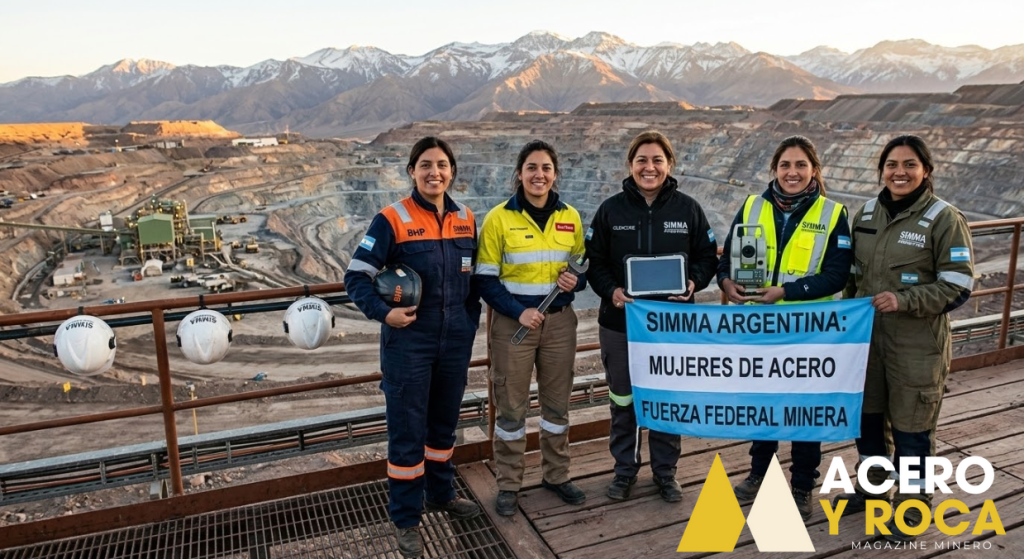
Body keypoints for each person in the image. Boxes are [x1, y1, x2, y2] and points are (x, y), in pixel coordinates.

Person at [344, 137, 482, 558]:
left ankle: (442, 494)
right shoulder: (392, 219)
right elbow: (356, 276)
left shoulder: (466, 219)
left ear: (452, 171)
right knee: (407, 433)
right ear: (412, 171)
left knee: (443, 427)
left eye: (441, 165)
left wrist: (468, 324)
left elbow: (474, 280)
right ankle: (407, 519)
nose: (434, 172)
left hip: (454, 342)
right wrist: (383, 314)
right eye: (425, 165)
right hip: (409, 345)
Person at [834, 135, 974, 543]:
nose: (900, 172)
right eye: (892, 164)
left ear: (925, 171)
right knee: (868, 420)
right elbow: (852, 279)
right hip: (867, 343)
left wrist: (905, 300)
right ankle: (874, 487)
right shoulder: (865, 214)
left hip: (916, 346)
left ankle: (913, 506)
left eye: (910, 164)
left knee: (913, 429)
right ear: (881, 170)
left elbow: (959, 285)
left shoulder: (945, 218)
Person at [716, 135, 852, 521]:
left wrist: (787, 292)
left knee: (804, 412)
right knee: (763, 405)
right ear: (774, 169)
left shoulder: (832, 213)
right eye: (785, 165)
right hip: (759, 328)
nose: (792, 173)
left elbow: (837, 275)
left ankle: (802, 485)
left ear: (814, 170)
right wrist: (726, 283)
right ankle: (760, 473)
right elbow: (726, 261)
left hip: (808, 331)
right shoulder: (752, 206)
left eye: (800, 165)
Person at [585, 130, 719, 502]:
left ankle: (665, 473)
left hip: (672, 324)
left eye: (657, 160)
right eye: (642, 160)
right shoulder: (610, 210)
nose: (650, 167)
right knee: (623, 399)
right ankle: (624, 471)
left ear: (669, 164)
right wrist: (611, 291)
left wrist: (694, 281)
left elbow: (707, 257)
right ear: (630, 165)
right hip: (620, 323)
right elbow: (594, 261)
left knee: (667, 399)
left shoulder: (688, 209)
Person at [476, 140, 588, 516]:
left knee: (557, 405)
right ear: (520, 173)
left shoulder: (571, 217)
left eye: (546, 168)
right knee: (510, 407)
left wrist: (575, 281)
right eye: (532, 168)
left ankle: (557, 476)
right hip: (513, 326)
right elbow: (485, 279)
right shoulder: (498, 219)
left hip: (560, 324)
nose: (539, 175)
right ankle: (509, 483)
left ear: (555, 174)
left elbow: (581, 269)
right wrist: (517, 311)